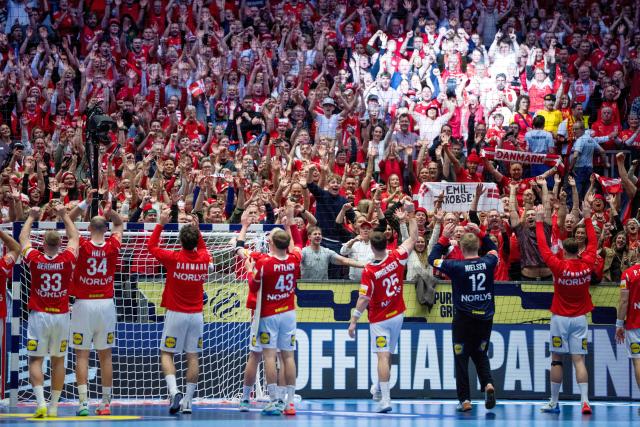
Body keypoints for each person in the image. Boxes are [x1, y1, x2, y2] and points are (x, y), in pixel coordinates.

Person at [348, 201, 418, 413]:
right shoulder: (397, 256)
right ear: (386, 242)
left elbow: (363, 299)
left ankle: (385, 399)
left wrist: (353, 320)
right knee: (388, 353)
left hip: (379, 319)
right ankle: (378, 387)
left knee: (383, 356)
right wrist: (411, 213)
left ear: (371, 246)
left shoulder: (369, 270)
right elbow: (413, 239)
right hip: (398, 314)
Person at [237, 203, 302, 416]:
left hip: (267, 314)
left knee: (265, 355)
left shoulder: (264, 263)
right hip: (289, 313)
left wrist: (248, 270)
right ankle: (289, 402)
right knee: (288, 356)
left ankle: (273, 400)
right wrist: (290, 222)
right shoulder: (294, 259)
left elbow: (253, 283)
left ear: (271, 243)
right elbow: (297, 244)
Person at [428, 222, 499, 412]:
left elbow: (432, 259)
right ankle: (488, 384)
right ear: (478, 247)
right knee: (480, 353)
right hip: (485, 318)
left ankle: (465, 400)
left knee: (461, 358)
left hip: (463, 319)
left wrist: (444, 237)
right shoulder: (488, 262)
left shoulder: (455, 266)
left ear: (460, 247)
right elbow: (494, 250)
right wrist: (481, 233)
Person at [147, 210, 212, 415]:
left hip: (176, 313)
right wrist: (197, 228)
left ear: (180, 241)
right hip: (196, 315)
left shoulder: (173, 258)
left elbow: (151, 247)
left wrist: (161, 224)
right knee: (192, 356)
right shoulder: (204, 258)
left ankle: (174, 391)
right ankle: (188, 402)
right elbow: (201, 246)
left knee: (167, 353)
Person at [535, 202, 597, 415]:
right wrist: (588, 218)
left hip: (560, 319)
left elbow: (543, 247)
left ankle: (553, 402)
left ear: (563, 251)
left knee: (556, 359)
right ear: (578, 250)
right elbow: (593, 244)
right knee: (579, 360)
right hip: (580, 318)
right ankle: (585, 401)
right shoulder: (588, 262)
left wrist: (538, 222)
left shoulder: (558, 265)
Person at [19, 204, 80, 418]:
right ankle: (54, 407)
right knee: (58, 361)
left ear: (43, 243)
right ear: (59, 243)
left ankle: (41, 403)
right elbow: (75, 238)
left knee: (35, 360)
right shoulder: (67, 259)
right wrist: (64, 216)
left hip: (39, 316)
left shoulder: (35, 258)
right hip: (62, 315)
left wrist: (31, 218)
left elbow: (23, 240)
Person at [69, 204, 124, 416]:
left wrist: (84, 203)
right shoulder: (113, 245)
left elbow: (69, 220)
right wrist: (111, 214)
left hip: (83, 304)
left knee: (82, 356)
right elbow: (119, 224)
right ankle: (106, 404)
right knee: (106, 356)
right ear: (105, 229)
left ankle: (83, 404)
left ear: (89, 229)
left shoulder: (81, 244)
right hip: (106, 305)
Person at [615, 261, 640, 406]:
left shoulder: (628, 274)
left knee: (638, 361)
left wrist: (619, 324)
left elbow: (624, 302)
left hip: (635, 325)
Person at [302, 226, 367, 280]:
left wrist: (365, 265)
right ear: (309, 237)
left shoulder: (327, 252)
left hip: (322, 287)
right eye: (315, 234)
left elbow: (344, 260)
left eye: (319, 234)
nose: (318, 236)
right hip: (306, 286)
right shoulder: (303, 251)